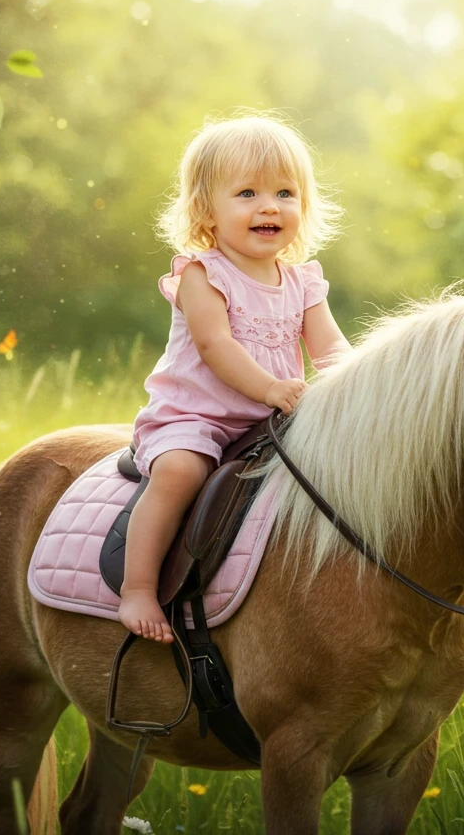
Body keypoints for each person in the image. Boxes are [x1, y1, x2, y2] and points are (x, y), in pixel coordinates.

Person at [120, 114, 352, 643]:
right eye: (247, 192)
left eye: (285, 192)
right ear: (207, 211)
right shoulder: (203, 274)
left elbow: (332, 350)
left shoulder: (303, 281)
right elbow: (215, 345)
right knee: (180, 472)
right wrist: (272, 388)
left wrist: (357, 390)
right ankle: (137, 587)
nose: (269, 206)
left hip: (270, 423)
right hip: (196, 416)